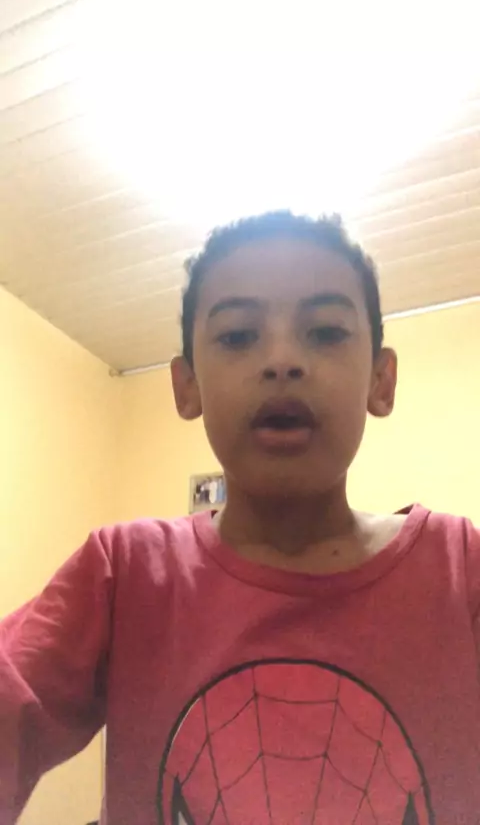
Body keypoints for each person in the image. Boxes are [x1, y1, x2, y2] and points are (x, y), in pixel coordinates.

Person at [1, 210, 479, 825]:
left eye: (325, 331)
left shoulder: (461, 570)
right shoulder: (123, 572)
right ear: (187, 387)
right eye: (237, 336)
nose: (282, 360)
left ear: (381, 381)